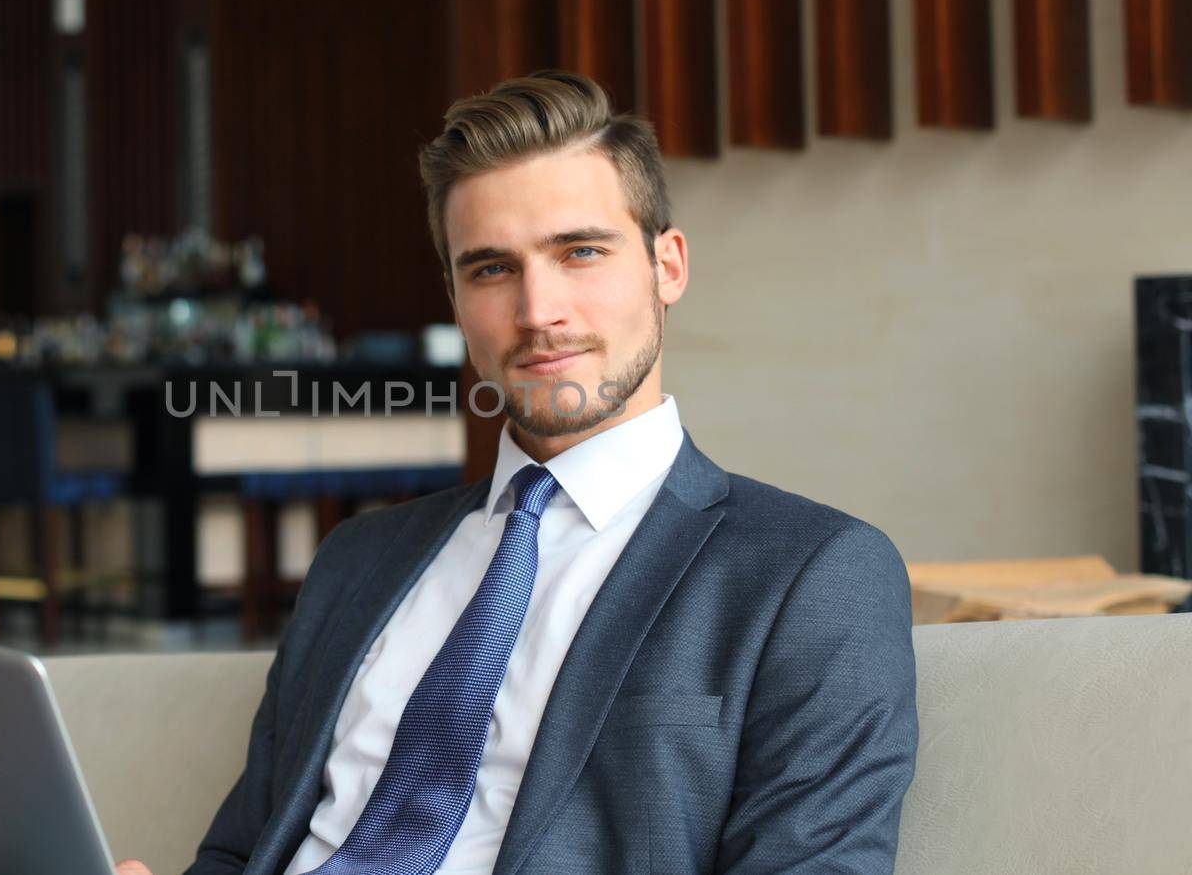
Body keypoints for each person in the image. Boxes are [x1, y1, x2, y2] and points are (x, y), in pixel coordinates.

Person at [118, 71, 918, 875]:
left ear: (667, 266)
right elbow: (238, 850)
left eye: (581, 252)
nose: (539, 311)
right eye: (493, 269)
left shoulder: (811, 574)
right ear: (456, 298)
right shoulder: (357, 562)